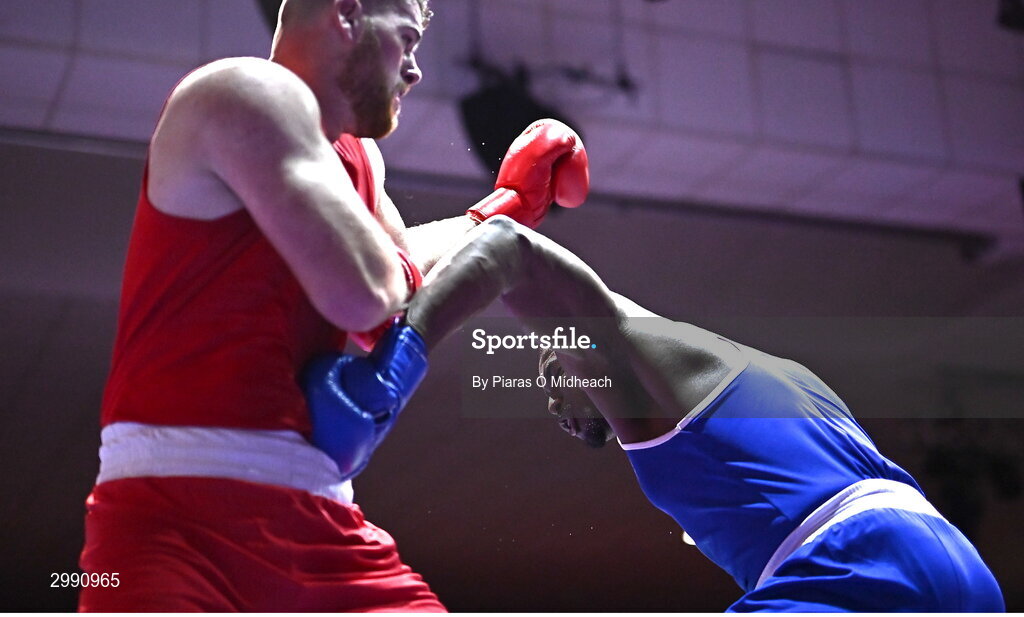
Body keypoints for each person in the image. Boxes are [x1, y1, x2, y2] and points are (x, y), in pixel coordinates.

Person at [78, 0, 588, 612]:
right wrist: (445, 253)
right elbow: (366, 293)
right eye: (404, 40)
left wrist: (504, 209)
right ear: (347, 17)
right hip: (170, 511)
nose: (415, 71)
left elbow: (391, 289)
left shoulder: (359, 159)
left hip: (318, 509)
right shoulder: (244, 92)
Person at [306, 216, 1005, 612]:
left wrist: (392, 368)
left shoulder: (650, 357)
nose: (554, 398)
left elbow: (507, 248)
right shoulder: (748, 379)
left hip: (860, 565)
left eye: (554, 365)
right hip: (954, 570)